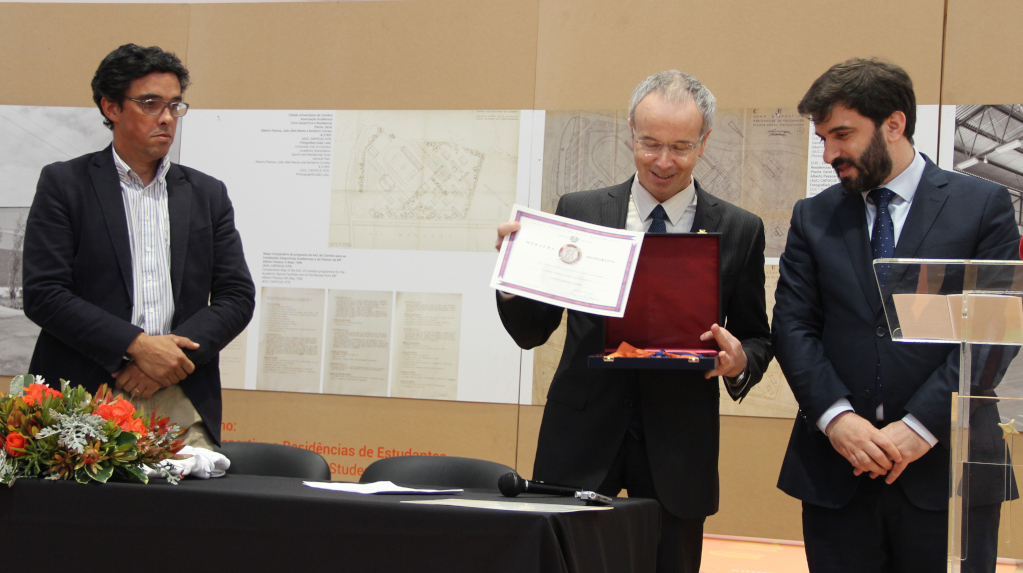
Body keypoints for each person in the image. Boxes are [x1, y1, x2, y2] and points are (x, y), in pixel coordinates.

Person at [495, 70, 772, 573]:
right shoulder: (579, 211)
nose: (663, 161)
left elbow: (756, 335)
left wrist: (739, 362)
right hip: (580, 437)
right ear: (630, 133)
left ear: (705, 141)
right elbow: (533, 330)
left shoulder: (739, 228)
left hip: (678, 447)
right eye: (650, 144)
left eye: (681, 147)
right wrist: (513, 279)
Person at [773, 57, 1021, 572]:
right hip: (839, 470)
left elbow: (993, 330)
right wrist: (837, 420)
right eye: (823, 139)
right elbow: (794, 327)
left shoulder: (982, 206)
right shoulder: (814, 216)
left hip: (949, 467)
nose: (830, 153)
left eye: (842, 135)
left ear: (894, 123)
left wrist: (921, 425)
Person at [22, 43, 255, 448]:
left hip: (180, 398)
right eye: (150, 104)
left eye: (175, 106)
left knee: (191, 493)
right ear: (111, 107)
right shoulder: (65, 184)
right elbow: (44, 293)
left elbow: (236, 296)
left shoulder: (207, 193)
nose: (166, 118)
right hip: (82, 395)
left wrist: (169, 362)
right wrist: (136, 347)